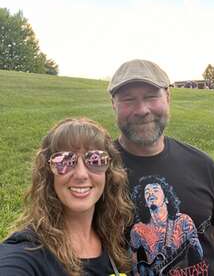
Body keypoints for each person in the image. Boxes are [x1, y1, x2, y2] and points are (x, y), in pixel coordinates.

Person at [107, 59, 214, 275]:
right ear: (113, 104)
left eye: (151, 96)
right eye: (128, 99)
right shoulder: (96, 173)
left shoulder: (202, 165)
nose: (142, 110)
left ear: (168, 97)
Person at [0, 117, 133, 276]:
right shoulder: (28, 250)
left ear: (108, 173)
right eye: (64, 161)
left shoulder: (112, 236)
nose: (81, 174)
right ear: (49, 173)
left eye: (95, 159)